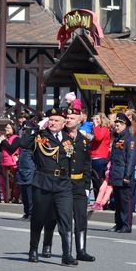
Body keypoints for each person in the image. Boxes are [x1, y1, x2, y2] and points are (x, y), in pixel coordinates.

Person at [21, 107, 77, 265]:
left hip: (63, 184)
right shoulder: (40, 136)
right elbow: (23, 143)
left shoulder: (67, 138)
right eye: (50, 120)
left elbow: (72, 161)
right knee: (39, 218)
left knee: (66, 219)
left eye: (56, 120)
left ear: (64, 122)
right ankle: (33, 249)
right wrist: (38, 127)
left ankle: (67, 254)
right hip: (43, 182)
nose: (52, 123)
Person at [41, 108, 95, 262]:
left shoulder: (83, 140)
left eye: (73, 117)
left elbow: (86, 164)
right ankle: (47, 245)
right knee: (53, 216)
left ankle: (81, 250)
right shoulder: (60, 138)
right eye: (68, 117)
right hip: (62, 184)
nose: (70, 120)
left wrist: (86, 186)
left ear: (80, 120)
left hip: (78, 184)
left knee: (81, 218)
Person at [108, 113, 136, 233]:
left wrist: (127, 175)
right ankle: (119, 224)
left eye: (119, 124)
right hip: (116, 174)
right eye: (116, 124)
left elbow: (131, 159)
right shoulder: (117, 138)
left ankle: (126, 225)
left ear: (125, 125)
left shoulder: (130, 140)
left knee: (126, 203)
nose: (116, 126)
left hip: (124, 176)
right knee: (118, 202)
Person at [16, 119, 36, 220]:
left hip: (29, 167)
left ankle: (31, 213)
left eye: (25, 128)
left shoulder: (32, 137)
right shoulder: (23, 137)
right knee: (23, 191)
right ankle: (26, 212)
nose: (24, 130)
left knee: (29, 191)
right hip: (22, 167)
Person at [90, 113, 111, 199]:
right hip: (94, 157)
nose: (95, 121)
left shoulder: (104, 129)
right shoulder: (98, 129)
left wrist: (95, 126)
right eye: (94, 119)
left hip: (100, 158)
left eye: (97, 119)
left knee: (99, 181)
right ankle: (97, 200)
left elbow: (98, 138)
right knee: (95, 181)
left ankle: (101, 201)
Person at [0, 121, 20, 203]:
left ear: (13, 129)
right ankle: (7, 197)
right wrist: (2, 141)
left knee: (12, 182)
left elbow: (11, 149)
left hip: (12, 163)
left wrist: (3, 141)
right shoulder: (6, 138)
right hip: (4, 162)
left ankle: (13, 197)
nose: (5, 129)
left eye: (8, 128)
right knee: (5, 182)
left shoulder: (16, 138)